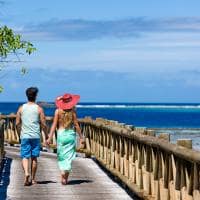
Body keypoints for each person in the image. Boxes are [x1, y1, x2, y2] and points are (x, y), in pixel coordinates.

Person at [47, 93, 84, 185]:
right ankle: (65, 178)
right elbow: (76, 125)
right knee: (69, 156)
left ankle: (62, 173)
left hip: (61, 135)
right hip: (70, 135)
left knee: (61, 155)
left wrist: (49, 137)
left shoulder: (58, 111)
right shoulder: (73, 112)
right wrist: (81, 137)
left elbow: (54, 125)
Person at [16, 87, 48, 186]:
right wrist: (46, 135)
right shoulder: (39, 109)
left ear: (27, 96)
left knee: (25, 157)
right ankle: (33, 179)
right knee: (34, 158)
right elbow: (43, 124)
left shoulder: (21, 108)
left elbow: (17, 123)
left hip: (24, 136)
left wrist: (19, 134)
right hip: (35, 136)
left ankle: (26, 173)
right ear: (36, 96)